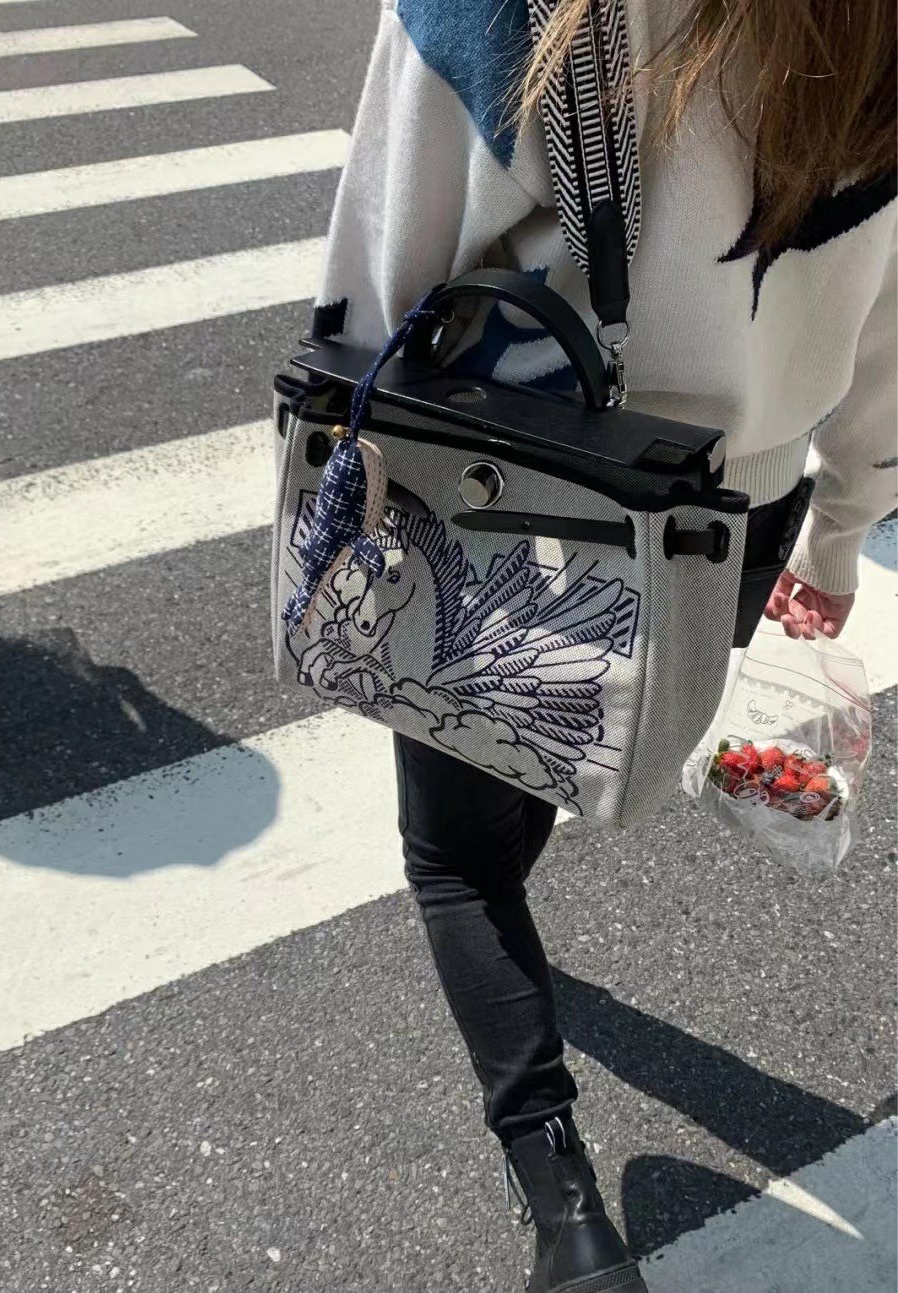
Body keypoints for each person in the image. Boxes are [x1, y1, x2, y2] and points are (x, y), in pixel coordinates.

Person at [310, 2, 897, 1288]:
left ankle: (564, 1208)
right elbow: (889, 312)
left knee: (458, 858)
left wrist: (347, 493)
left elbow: (381, 277)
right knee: (575, 752)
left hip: (523, 497)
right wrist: (842, 531)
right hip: (733, 513)